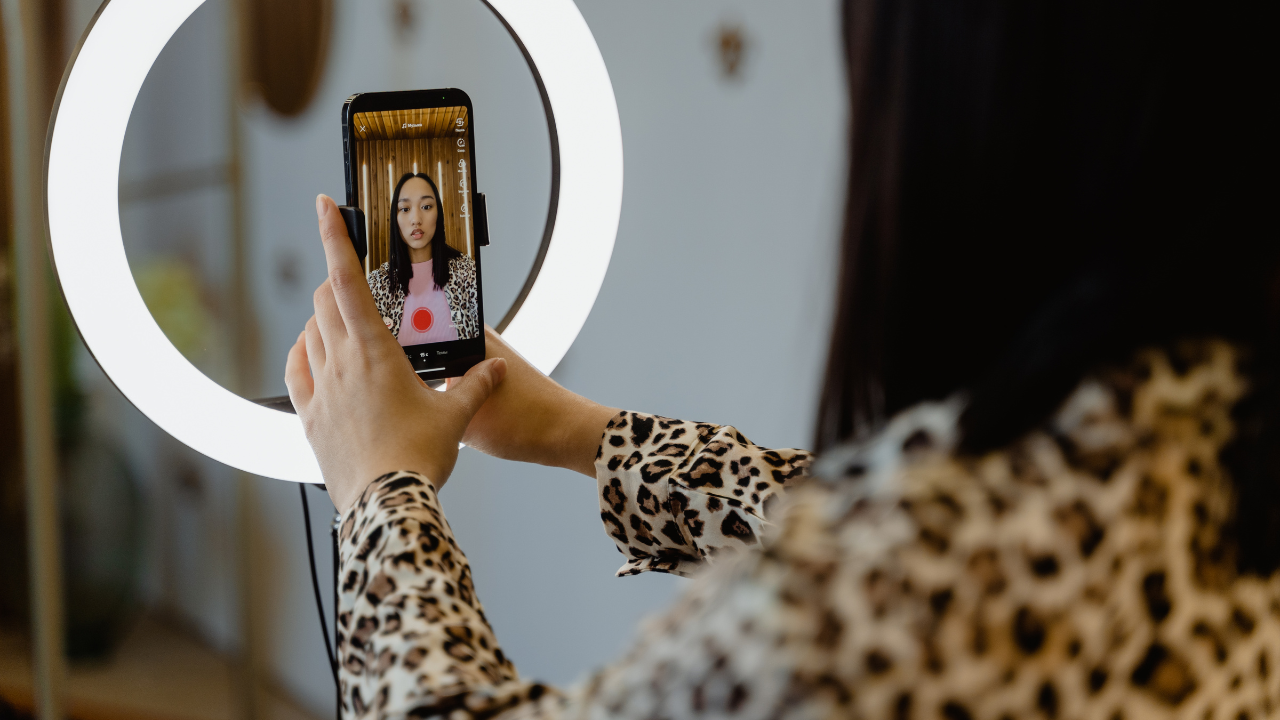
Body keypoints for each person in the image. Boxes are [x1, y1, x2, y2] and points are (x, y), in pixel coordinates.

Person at [286, 0, 1273, 717]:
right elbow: (853, 510)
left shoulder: (885, 594)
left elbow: (886, 555)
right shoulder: (1212, 433)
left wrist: (381, 493)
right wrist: (584, 435)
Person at [366, 172, 480, 344]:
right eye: (405, 209)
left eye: (426, 207)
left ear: (438, 213)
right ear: (395, 219)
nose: (416, 220)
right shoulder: (377, 284)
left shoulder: (468, 273)